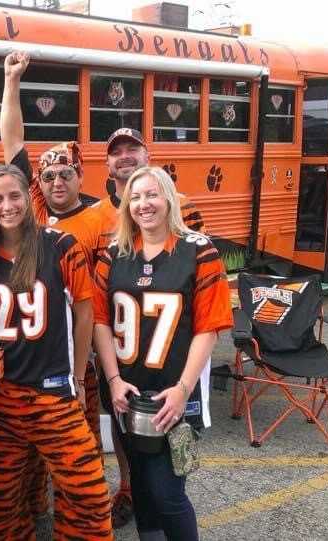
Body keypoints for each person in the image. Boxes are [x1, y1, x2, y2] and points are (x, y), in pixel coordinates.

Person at [0, 164, 112, 540]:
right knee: (1, 498)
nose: (6, 206)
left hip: (51, 393)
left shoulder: (61, 245)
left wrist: (77, 378)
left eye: (14, 196)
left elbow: (85, 314)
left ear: (29, 199)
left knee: (87, 493)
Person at [92, 166, 232, 541]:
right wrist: (113, 379)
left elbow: (209, 328)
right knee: (139, 483)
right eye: (135, 197)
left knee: (169, 494)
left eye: (152, 194)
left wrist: (184, 388)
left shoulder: (199, 251)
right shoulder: (114, 254)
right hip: (126, 391)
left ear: (169, 197)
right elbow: (100, 322)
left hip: (173, 392)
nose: (143, 204)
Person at [0, 52, 104, 516]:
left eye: (66, 173)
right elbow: (12, 140)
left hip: (84, 353)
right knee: (33, 451)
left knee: (83, 445)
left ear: (81, 175)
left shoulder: (105, 215)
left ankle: (83, 511)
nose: (56, 179)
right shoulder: (34, 211)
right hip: (34, 356)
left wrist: (84, 370)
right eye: (48, 174)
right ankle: (37, 510)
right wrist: (11, 81)